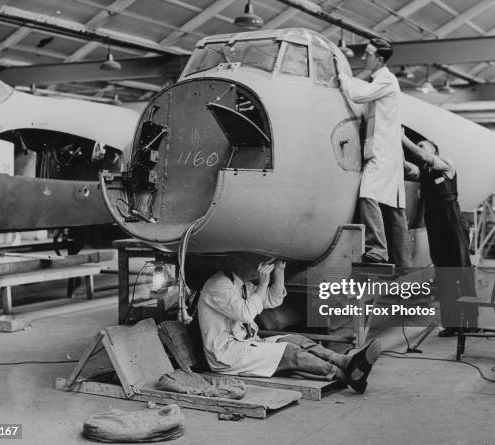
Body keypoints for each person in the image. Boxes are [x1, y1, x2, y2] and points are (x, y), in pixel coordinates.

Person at [197, 257, 381, 393]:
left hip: (244, 343)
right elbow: (246, 314)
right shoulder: (217, 285)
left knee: (296, 339)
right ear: (236, 262)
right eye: (253, 261)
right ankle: (347, 376)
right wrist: (263, 283)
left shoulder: (240, 283)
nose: (258, 266)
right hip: (227, 355)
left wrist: (279, 272)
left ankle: (346, 362)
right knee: (290, 352)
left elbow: (272, 299)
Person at [337, 38, 409, 267]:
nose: (363, 58)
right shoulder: (379, 80)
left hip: (383, 152)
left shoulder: (386, 80)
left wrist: (342, 75)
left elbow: (358, 95)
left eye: (368, 54)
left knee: (369, 194)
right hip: (384, 151)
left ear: (379, 59)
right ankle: (404, 265)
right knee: (394, 210)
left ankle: (377, 251)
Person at [402, 134, 478, 337]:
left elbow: (425, 158)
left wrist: (402, 138)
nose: (418, 148)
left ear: (434, 149)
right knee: (443, 273)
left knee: (460, 270)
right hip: (435, 223)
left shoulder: (446, 164)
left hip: (451, 219)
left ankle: (470, 321)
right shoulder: (424, 171)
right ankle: (452, 323)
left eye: (422, 145)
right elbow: (409, 169)